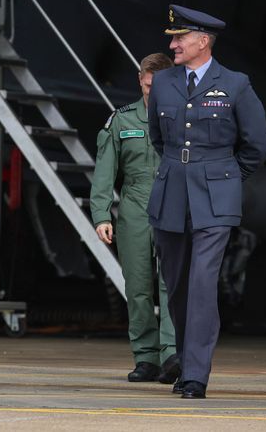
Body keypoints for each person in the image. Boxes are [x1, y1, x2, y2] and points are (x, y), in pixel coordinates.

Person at [147, 4, 266, 399]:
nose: (173, 44)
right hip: (171, 193)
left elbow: (259, 144)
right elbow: (157, 136)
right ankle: (187, 360)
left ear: (203, 42)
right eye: (173, 37)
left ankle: (196, 376)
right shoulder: (164, 82)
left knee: (202, 283)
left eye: (180, 38)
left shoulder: (234, 83)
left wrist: (228, 177)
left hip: (215, 197)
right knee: (178, 284)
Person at [90, 52, 180, 385]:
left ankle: (171, 352)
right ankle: (146, 357)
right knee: (139, 286)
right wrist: (101, 214)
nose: (151, 89)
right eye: (146, 82)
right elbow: (104, 173)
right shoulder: (122, 121)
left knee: (171, 283)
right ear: (139, 79)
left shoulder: (182, 118)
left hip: (173, 206)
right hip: (134, 210)